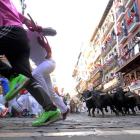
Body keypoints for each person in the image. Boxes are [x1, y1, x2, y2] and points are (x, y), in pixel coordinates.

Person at [0, 0, 61, 126]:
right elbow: (23, 19)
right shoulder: (8, 3)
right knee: (27, 78)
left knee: (20, 77)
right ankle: (51, 109)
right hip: (20, 36)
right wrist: (29, 23)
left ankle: (12, 75)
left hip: (8, 31)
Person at [25, 25, 69, 120]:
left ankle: (49, 107)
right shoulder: (19, 43)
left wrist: (38, 28)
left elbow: (53, 32)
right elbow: (26, 58)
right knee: (51, 92)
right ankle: (64, 109)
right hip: (42, 66)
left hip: (49, 62)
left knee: (36, 74)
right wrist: (30, 67)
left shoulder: (30, 32)